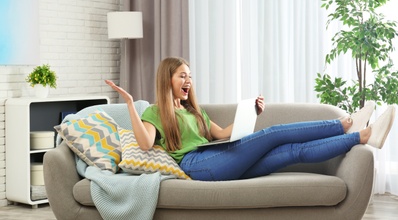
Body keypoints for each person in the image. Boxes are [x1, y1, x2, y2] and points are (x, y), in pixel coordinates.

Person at [106, 57, 396, 181]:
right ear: (166, 79)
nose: (189, 81)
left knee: (292, 153)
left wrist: (250, 115)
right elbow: (144, 144)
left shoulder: (195, 111)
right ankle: (345, 124)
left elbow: (220, 134)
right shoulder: (153, 112)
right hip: (196, 167)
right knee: (275, 133)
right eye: (183, 75)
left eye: (190, 76)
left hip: (219, 156)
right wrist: (131, 103)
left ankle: (362, 136)